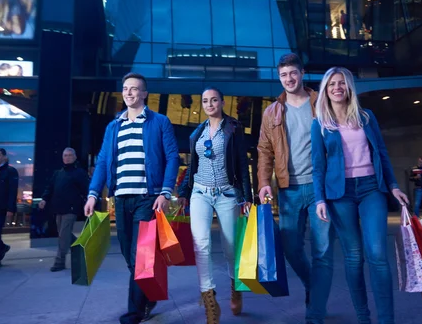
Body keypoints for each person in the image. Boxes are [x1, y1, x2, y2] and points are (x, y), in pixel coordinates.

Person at [311, 67, 409, 324]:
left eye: (341, 83)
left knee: (377, 254)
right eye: (332, 84)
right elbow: (318, 165)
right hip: (339, 194)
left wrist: (394, 185)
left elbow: (382, 153)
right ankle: (363, 317)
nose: (337, 87)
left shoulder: (366, 117)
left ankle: (386, 319)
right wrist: (319, 199)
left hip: (371, 189)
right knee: (353, 256)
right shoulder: (320, 124)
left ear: (349, 87)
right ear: (326, 89)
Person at [84, 73, 179, 324]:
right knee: (129, 255)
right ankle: (148, 295)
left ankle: (133, 313)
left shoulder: (159, 122)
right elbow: (104, 161)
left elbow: (172, 157)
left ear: (144, 94)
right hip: (121, 199)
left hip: (147, 198)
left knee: (140, 255)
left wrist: (165, 192)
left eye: (134, 89)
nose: (129, 93)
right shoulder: (114, 126)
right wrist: (94, 193)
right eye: (125, 89)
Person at [257, 53, 334, 324]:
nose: (288, 79)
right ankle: (315, 287)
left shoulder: (321, 104)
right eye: (283, 75)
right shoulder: (272, 112)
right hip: (288, 189)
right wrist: (264, 182)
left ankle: (315, 313)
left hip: (319, 188)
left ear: (302, 73)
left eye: (293, 73)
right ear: (279, 78)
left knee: (322, 251)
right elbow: (264, 150)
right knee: (291, 248)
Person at [177, 87, 252, 323]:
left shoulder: (234, 128)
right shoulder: (198, 132)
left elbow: (241, 163)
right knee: (201, 245)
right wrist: (183, 192)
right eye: (205, 101)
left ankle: (235, 286)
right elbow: (193, 166)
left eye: (214, 100)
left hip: (227, 194)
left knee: (230, 248)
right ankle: (210, 300)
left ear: (222, 102)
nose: (210, 104)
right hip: (200, 192)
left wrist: (247, 196)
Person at [39, 147, 89, 272]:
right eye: (65, 155)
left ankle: (59, 262)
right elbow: (49, 187)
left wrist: (89, 203)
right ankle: (80, 248)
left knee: (63, 235)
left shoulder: (79, 173)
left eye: (70, 155)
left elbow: (86, 189)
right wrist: (44, 199)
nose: (67, 157)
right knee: (64, 234)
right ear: (62, 158)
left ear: (75, 157)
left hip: (71, 209)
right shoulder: (58, 173)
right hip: (58, 208)